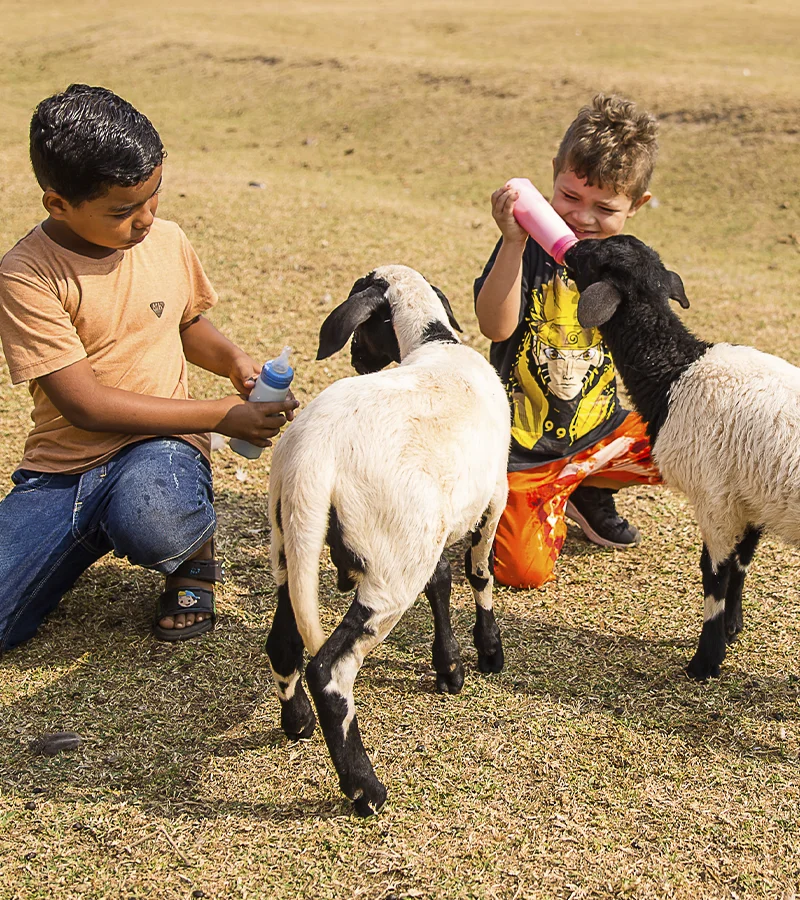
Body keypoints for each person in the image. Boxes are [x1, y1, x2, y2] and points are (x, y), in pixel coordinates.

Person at [0, 84, 297, 651]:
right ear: (57, 203)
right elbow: (83, 404)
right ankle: (84, 531)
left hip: (160, 446)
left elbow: (185, 323)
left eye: (153, 198)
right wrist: (221, 415)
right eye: (122, 210)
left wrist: (233, 360)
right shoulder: (26, 274)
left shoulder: (166, 241)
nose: (145, 220)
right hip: (61, 470)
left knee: (155, 512)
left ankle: (188, 557)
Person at [474, 94, 662, 589]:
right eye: (570, 196)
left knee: (696, 441)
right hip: (525, 448)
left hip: (600, 430)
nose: (582, 217)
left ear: (637, 206)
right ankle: (542, 492)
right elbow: (494, 328)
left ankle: (586, 484)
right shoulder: (527, 245)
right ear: (553, 175)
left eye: (606, 207)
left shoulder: (626, 260)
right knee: (522, 574)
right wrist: (513, 242)